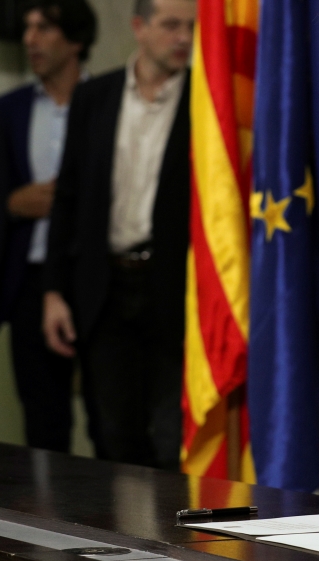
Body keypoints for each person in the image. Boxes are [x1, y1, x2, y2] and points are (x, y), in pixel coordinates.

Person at [42, 0, 195, 470]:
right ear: (139, 27)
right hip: (103, 286)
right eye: (171, 25)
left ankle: (171, 522)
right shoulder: (95, 96)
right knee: (112, 433)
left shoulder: (205, 102)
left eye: (191, 27)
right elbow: (67, 197)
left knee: (172, 436)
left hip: (175, 289)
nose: (184, 38)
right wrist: (53, 291)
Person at [0, 0, 96, 453]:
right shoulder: (10, 110)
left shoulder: (107, 101)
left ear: (75, 40)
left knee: (112, 420)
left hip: (98, 278)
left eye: (43, 28)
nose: (30, 40)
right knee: (43, 423)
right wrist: (11, 205)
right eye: (27, 28)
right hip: (29, 281)